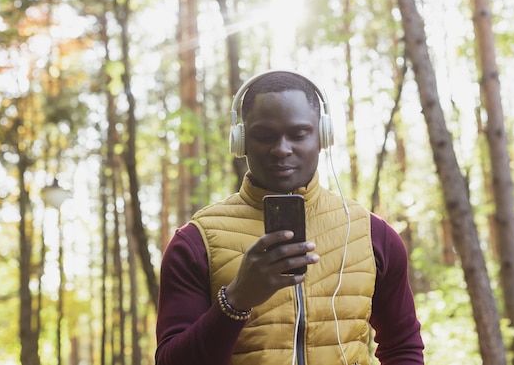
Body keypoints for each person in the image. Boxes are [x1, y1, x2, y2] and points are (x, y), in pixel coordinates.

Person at [155, 70, 424, 365]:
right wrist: (236, 300)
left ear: (323, 136)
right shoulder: (195, 243)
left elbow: (402, 346)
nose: (281, 149)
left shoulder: (372, 235)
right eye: (264, 136)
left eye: (298, 134)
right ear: (241, 141)